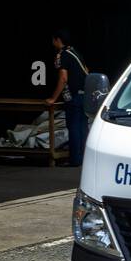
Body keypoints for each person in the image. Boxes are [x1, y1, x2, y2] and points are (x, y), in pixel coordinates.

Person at [46, 29, 89, 167]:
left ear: (58, 40)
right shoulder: (75, 52)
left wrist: (53, 98)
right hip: (84, 94)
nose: (52, 43)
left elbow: (63, 78)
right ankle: (84, 158)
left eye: (53, 40)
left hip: (73, 95)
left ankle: (75, 160)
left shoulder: (62, 55)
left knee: (74, 126)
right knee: (83, 126)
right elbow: (87, 70)